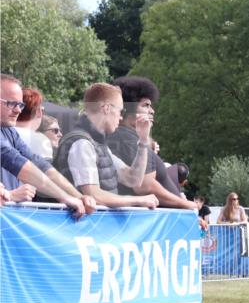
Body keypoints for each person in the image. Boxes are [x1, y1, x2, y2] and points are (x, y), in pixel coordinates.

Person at [1, 75, 92, 216]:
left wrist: (77, 196)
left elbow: (39, 164)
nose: (18, 110)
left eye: (20, 105)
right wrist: (65, 197)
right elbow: (18, 163)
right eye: (11, 103)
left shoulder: (8, 131)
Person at [107, 77, 198, 210]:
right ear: (127, 109)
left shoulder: (126, 137)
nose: (152, 111)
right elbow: (144, 185)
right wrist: (185, 204)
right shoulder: (127, 138)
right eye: (146, 105)